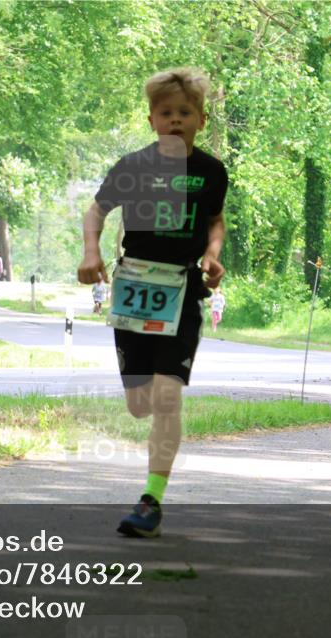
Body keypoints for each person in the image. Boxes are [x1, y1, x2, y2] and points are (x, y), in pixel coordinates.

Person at [77, 67, 228, 538]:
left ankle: (151, 501)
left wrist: (212, 253)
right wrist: (90, 252)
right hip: (134, 288)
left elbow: (216, 220)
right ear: (152, 120)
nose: (176, 120)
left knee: (166, 396)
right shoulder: (132, 167)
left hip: (182, 291)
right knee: (139, 405)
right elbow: (96, 210)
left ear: (201, 120)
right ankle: (150, 491)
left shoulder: (210, 172)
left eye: (185, 113)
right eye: (167, 113)